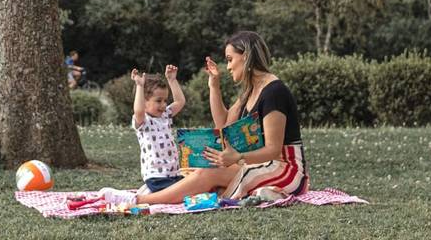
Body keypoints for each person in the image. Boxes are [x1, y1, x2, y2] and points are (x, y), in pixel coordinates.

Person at [98, 31, 308, 205]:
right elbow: (223, 125)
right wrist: (213, 85)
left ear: (246, 56)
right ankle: (262, 194)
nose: (227, 66)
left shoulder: (274, 92)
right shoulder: (250, 92)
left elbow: (273, 149)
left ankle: (140, 200)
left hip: (285, 168)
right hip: (258, 164)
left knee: (208, 175)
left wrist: (238, 158)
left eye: (230, 59)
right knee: (200, 172)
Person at [131, 64, 186, 193]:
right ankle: (147, 193)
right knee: (178, 194)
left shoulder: (165, 115)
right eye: (158, 101)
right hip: (156, 177)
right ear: (144, 102)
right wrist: (140, 86)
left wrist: (172, 80)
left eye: (165, 100)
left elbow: (180, 102)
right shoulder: (143, 121)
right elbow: (138, 110)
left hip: (174, 174)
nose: (163, 105)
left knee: (189, 186)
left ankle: (149, 192)